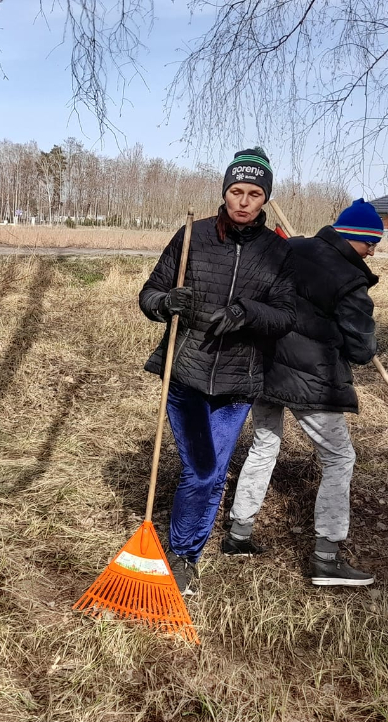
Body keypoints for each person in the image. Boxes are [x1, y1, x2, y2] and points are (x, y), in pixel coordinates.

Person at [138, 147, 297, 597]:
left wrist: (248, 313)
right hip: (185, 373)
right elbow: (149, 293)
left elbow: (286, 315)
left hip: (237, 382)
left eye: (253, 193)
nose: (243, 201)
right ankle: (183, 550)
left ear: (264, 198)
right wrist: (165, 303)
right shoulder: (193, 236)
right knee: (203, 470)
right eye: (235, 191)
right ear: (224, 192)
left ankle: (185, 554)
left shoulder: (277, 252)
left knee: (208, 473)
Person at [226, 198, 384, 587]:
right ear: (355, 238)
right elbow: (362, 351)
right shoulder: (351, 281)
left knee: (265, 444)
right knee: (339, 458)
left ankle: (238, 534)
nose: (373, 252)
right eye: (371, 244)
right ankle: (327, 558)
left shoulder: (291, 247)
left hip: (264, 366)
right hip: (313, 380)